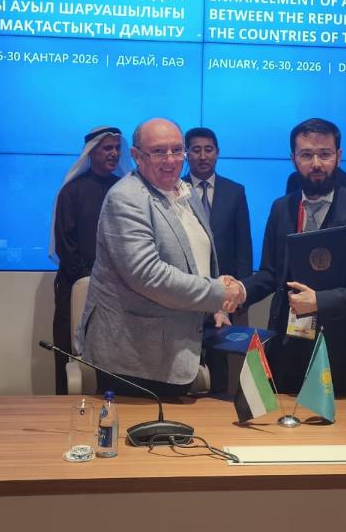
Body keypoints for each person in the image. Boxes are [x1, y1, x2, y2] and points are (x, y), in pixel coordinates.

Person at [78, 118, 246, 397]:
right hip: (136, 356)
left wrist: (216, 305)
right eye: (158, 151)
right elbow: (148, 275)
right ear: (136, 155)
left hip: (180, 347)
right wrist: (217, 292)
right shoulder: (126, 198)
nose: (171, 160)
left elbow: (196, 257)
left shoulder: (183, 190)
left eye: (177, 150)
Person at [243, 118, 346, 395]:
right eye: (306, 155)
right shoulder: (281, 208)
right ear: (293, 158)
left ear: (339, 156)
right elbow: (270, 273)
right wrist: (237, 292)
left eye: (325, 154)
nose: (316, 163)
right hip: (290, 349)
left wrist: (319, 302)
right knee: (286, 421)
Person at [49, 126, 131, 394]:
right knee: (69, 355)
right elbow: (66, 243)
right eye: (107, 148)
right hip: (77, 287)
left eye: (117, 148)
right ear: (91, 152)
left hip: (118, 292)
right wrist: (89, 280)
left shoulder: (126, 190)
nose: (114, 153)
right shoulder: (72, 191)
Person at [183, 127, 252, 394]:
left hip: (226, 296)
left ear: (217, 153)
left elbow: (243, 248)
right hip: (187, 294)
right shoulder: (174, 191)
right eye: (196, 150)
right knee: (186, 363)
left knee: (222, 368)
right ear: (187, 154)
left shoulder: (235, 191)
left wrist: (241, 294)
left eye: (208, 149)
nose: (203, 156)